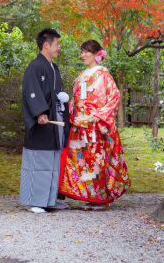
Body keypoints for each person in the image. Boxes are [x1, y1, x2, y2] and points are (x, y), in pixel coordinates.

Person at [59, 39, 131, 210]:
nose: (83, 55)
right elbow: (77, 99)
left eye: (87, 52)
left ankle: (101, 199)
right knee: (82, 162)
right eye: (82, 51)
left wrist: (101, 116)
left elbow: (114, 96)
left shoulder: (103, 73)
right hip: (79, 124)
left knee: (97, 161)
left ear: (97, 54)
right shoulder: (82, 74)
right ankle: (90, 196)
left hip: (96, 125)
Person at [19, 28, 71, 213]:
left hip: (54, 120)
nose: (58, 48)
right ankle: (35, 201)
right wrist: (40, 112)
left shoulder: (53, 68)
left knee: (52, 163)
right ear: (46, 45)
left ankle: (49, 199)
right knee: (38, 163)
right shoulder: (35, 66)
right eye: (57, 44)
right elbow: (31, 92)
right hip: (43, 122)